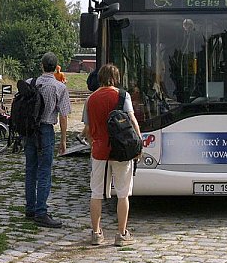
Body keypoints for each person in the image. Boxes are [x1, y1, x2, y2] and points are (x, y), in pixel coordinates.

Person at [82, 63, 142, 246]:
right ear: (116, 78)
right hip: (121, 151)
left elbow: (87, 129)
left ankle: (96, 233)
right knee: (123, 194)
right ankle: (122, 234)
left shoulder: (90, 99)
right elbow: (132, 120)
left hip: (99, 151)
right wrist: (138, 145)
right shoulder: (123, 96)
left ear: (100, 78)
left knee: (97, 193)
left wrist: (93, 143)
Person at [24, 52, 71, 228]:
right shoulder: (59, 87)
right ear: (56, 66)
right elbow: (64, 115)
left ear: (42, 65)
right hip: (46, 130)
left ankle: (30, 208)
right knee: (44, 170)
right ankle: (41, 211)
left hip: (30, 131)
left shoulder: (30, 82)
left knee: (30, 170)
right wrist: (63, 139)